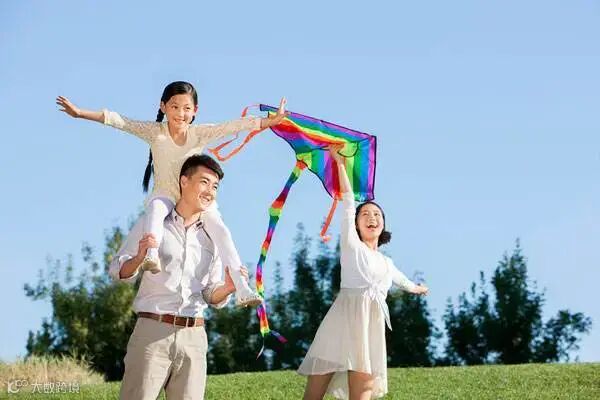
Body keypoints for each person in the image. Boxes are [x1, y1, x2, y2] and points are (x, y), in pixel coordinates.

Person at [57, 81, 287, 306]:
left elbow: (232, 126)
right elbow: (119, 121)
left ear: (195, 111)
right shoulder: (154, 132)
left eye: (186, 108)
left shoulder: (199, 133)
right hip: (165, 193)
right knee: (155, 210)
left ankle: (242, 286)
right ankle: (151, 254)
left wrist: (268, 122)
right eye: (175, 107)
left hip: (195, 199)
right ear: (163, 106)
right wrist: (80, 113)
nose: (180, 113)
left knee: (221, 231)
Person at [297, 145, 429, 400]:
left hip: (370, 327)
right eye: (365, 214)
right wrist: (339, 163)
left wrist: (417, 288)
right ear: (356, 224)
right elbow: (348, 201)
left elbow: (402, 280)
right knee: (314, 393)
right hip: (342, 321)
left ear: (383, 224)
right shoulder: (351, 247)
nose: (372, 218)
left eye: (377, 214)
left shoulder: (386, 262)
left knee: (364, 390)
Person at [109, 154, 245, 400]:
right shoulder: (153, 223)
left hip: (194, 337)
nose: (210, 191)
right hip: (152, 333)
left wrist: (227, 287)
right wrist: (139, 258)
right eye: (204, 182)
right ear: (184, 181)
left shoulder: (212, 237)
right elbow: (117, 271)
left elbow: (210, 293)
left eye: (215, 187)